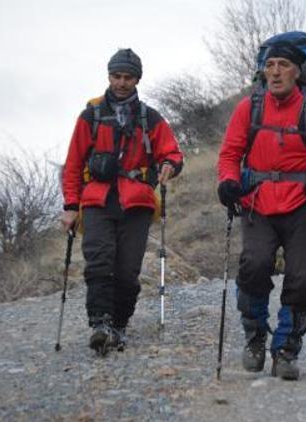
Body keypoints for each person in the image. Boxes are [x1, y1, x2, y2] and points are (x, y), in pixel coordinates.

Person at [216, 40, 306, 380]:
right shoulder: (249, 109)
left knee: (301, 279)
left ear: (297, 72)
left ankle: (286, 348)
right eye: (270, 65)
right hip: (257, 202)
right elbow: (229, 155)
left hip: (301, 205)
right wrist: (228, 182)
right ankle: (255, 335)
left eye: (283, 65)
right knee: (254, 265)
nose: (275, 72)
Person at [61, 48, 183, 354]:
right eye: (117, 76)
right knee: (99, 262)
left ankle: (119, 324)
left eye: (128, 77)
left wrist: (170, 164)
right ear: (109, 76)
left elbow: (172, 152)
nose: (122, 83)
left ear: (137, 79)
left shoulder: (149, 117)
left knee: (128, 272)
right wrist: (70, 207)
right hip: (96, 201)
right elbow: (73, 164)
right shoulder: (90, 116)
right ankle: (100, 324)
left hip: (137, 204)